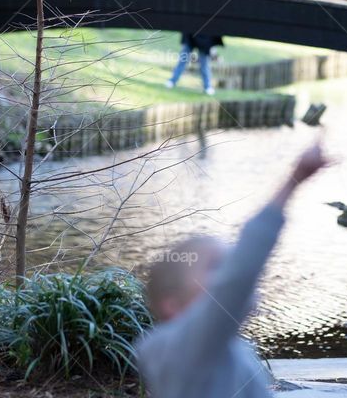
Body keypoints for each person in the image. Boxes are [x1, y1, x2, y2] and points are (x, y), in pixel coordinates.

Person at [136, 143, 331, 398]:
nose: (231, 274)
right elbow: (236, 280)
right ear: (171, 305)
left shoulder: (229, 349)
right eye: (217, 267)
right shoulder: (172, 348)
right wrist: (293, 180)